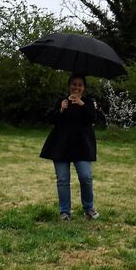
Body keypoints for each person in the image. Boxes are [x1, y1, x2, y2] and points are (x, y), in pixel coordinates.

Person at [40, 73, 100, 221]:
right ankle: (64, 212)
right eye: (74, 84)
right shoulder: (62, 101)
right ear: (69, 86)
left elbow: (93, 118)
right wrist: (61, 110)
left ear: (84, 88)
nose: (76, 87)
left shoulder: (88, 103)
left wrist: (82, 104)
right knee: (62, 180)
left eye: (80, 85)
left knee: (86, 177)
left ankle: (89, 208)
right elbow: (50, 119)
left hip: (82, 146)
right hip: (61, 146)